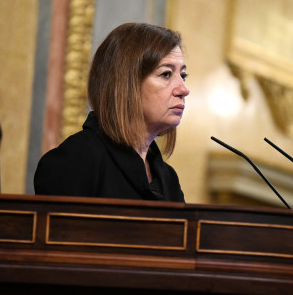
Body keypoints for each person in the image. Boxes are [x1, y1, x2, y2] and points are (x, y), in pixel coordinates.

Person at [34, 22, 189, 201]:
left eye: (183, 76)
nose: (184, 89)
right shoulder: (76, 161)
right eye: (166, 74)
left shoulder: (167, 179)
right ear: (125, 83)